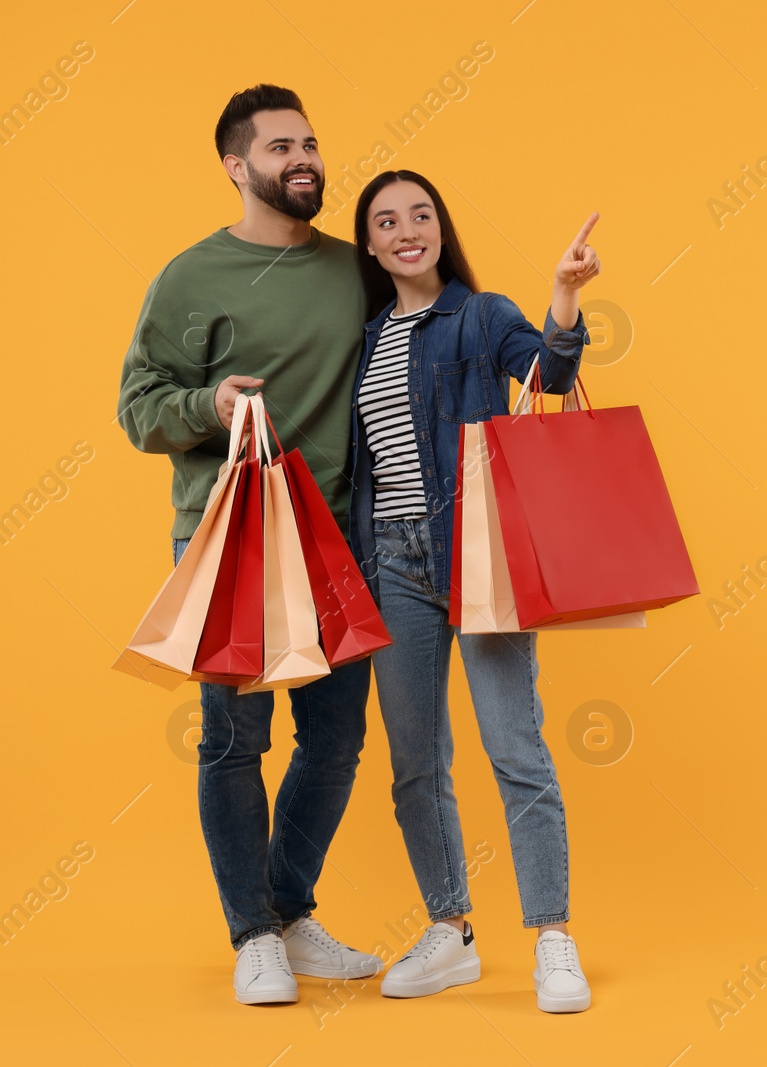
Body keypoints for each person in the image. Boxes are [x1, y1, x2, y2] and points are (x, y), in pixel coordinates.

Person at [116, 84, 382, 1005]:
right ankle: (253, 933)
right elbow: (136, 409)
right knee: (234, 742)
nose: (303, 157)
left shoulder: (357, 270)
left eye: (310, 141)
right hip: (231, 538)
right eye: (280, 148)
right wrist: (210, 405)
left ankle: (287, 909)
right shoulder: (192, 279)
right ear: (237, 166)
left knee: (338, 740)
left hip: (340, 540)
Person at [347, 169, 599, 1011]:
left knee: (514, 747)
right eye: (387, 221)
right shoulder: (369, 335)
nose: (406, 229)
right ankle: (450, 930)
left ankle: (553, 938)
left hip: (475, 554)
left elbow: (549, 381)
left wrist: (561, 296)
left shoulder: (482, 315)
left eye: (421, 214)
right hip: (392, 564)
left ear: (440, 227)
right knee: (416, 763)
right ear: (372, 243)